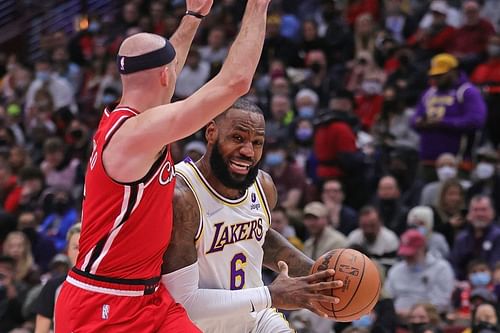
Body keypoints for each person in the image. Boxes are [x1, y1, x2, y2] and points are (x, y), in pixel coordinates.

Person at [54, 0, 271, 330]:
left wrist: (193, 17)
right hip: (105, 303)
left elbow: (168, 65)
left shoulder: (127, 118)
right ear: (165, 76)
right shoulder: (137, 134)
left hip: (148, 296)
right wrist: (257, 6)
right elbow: (236, 82)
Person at [162, 99, 343, 333]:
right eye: (237, 138)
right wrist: (270, 295)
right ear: (211, 132)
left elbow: (259, 238)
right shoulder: (182, 196)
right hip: (196, 327)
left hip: (256, 320)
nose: (248, 151)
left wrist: (319, 277)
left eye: (257, 143)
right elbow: (183, 303)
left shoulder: (263, 185)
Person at [33, 223, 80, 333]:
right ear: (67, 251)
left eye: (85, 247)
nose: (80, 252)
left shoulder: (106, 287)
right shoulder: (53, 286)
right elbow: (41, 330)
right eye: (76, 247)